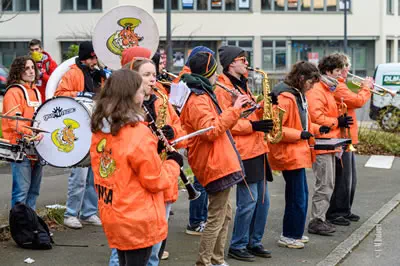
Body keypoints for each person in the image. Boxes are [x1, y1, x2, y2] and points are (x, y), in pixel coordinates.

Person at [90, 68, 181, 266]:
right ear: (130, 96)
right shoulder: (137, 132)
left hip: (113, 210)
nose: (145, 95)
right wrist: (174, 163)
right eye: (141, 91)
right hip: (137, 217)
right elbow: (155, 180)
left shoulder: (101, 128)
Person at [179, 51, 250, 266]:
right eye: (215, 71)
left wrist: (235, 110)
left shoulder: (204, 94)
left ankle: (217, 259)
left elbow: (217, 123)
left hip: (219, 160)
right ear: (208, 72)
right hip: (213, 162)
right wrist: (235, 109)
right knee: (216, 218)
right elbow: (211, 130)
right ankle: (204, 261)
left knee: (225, 214)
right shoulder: (197, 99)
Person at [121, 47, 186, 266]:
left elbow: (181, 132)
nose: (153, 79)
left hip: (162, 177)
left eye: (153, 74)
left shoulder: (161, 98)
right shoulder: (121, 109)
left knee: (156, 246)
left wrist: (172, 134)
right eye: (146, 75)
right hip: (138, 185)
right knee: (128, 251)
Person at [215, 45, 273, 262]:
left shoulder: (242, 84)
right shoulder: (222, 88)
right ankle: (238, 244)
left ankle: (254, 241)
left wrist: (263, 105)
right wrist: (254, 128)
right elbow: (226, 123)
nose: (247, 63)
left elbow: (246, 113)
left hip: (258, 149)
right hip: (243, 151)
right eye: (243, 60)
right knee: (249, 202)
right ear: (231, 63)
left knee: (263, 202)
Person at [269, 61, 327, 248]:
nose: (312, 87)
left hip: (296, 152)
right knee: (297, 197)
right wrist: (300, 134)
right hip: (290, 153)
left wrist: (318, 129)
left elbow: (304, 124)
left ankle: (294, 232)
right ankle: (289, 235)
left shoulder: (297, 95)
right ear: (301, 79)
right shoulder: (287, 97)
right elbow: (276, 129)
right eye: (311, 82)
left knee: (300, 194)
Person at [55, 41, 105, 229]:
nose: (95, 61)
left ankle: (88, 212)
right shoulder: (73, 73)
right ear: (85, 58)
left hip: (95, 126)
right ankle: (70, 213)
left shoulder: (98, 75)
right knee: (79, 175)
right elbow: (60, 93)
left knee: (94, 174)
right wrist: (79, 93)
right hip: (78, 128)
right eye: (92, 58)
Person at [306, 54, 353, 236]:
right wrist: (337, 121)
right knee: (324, 184)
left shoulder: (327, 88)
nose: (340, 75)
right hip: (322, 142)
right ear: (327, 71)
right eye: (337, 71)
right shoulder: (318, 90)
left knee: (328, 183)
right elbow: (316, 118)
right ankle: (316, 220)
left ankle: (321, 218)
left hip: (330, 142)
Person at [326, 53, 373, 225]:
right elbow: (357, 100)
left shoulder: (341, 85)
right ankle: (336, 212)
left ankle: (345, 210)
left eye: (346, 66)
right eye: (343, 67)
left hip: (348, 137)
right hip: (341, 136)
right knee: (343, 178)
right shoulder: (337, 87)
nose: (347, 70)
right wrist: (366, 87)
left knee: (350, 179)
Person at [2, 56, 44, 210]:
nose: (31, 71)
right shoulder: (13, 92)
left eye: (32, 67)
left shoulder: (35, 91)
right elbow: (14, 122)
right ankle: (19, 229)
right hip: (20, 148)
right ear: (18, 71)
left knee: (33, 192)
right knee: (21, 193)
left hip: (36, 147)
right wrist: (32, 133)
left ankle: (30, 227)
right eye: (26, 68)